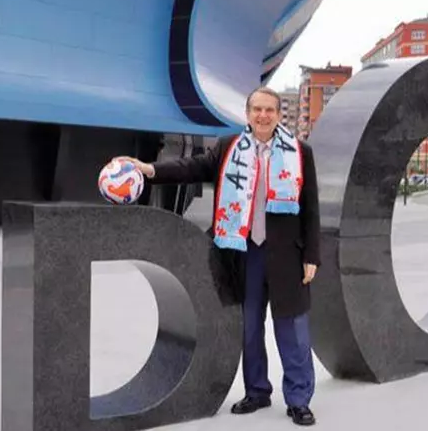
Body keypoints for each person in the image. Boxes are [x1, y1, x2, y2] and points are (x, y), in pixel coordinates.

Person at [116, 87, 321, 426]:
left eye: (269, 110)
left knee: (292, 330)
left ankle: (299, 400)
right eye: (257, 109)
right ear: (248, 113)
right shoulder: (230, 148)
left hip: (288, 256)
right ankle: (257, 391)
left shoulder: (300, 152)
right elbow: (192, 168)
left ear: (279, 114)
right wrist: (149, 170)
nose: (263, 115)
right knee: (249, 327)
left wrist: (312, 255)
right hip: (245, 253)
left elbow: (310, 206)